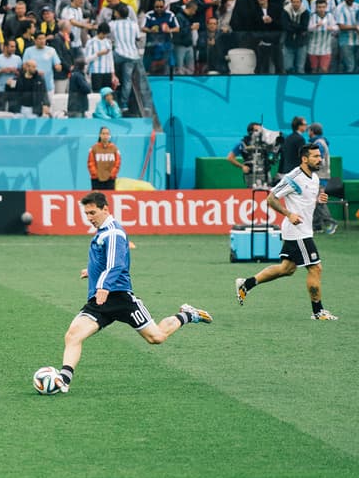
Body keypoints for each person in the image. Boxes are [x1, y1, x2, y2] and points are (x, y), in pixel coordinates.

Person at [55, 192, 212, 394]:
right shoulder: (104, 231)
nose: (90, 217)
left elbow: (116, 264)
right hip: (100, 302)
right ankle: (64, 379)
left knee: (156, 337)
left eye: (93, 212)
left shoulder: (113, 232)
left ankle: (189, 314)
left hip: (120, 297)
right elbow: (106, 260)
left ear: (106, 209)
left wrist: (103, 285)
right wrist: (92, 272)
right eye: (86, 214)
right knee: (73, 335)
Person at [235, 143, 339, 321]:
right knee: (315, 268)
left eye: (319, 155)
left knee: (287, 268)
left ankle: (246, 283)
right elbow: (271, 198)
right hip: (298, 231)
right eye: (315, 156)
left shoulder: (314, 178)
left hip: (302, 230)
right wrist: (289, 214)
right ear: (304, 159)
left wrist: (318, 199)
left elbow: (306, 200)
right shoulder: (294, 177)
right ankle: (318, 311)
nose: (319, 159)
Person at [308, 122, 338, 235]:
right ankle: (316, 226)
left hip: (319, 177)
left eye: (309, 130)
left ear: (312, 131)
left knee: (319, 201)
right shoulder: (321, 142)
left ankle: (330, 221)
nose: (308, 132)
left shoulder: (318, 144)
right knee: (314, 200)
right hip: (321, 176)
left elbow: (317, 160)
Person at [228, 122, 268, 188]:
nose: (260, 133)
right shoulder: (242, 144)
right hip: (251, 174)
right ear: (251, 132)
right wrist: (242, 166)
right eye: (257, 131)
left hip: (265, 173)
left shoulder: (265, 143)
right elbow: (230, 158)